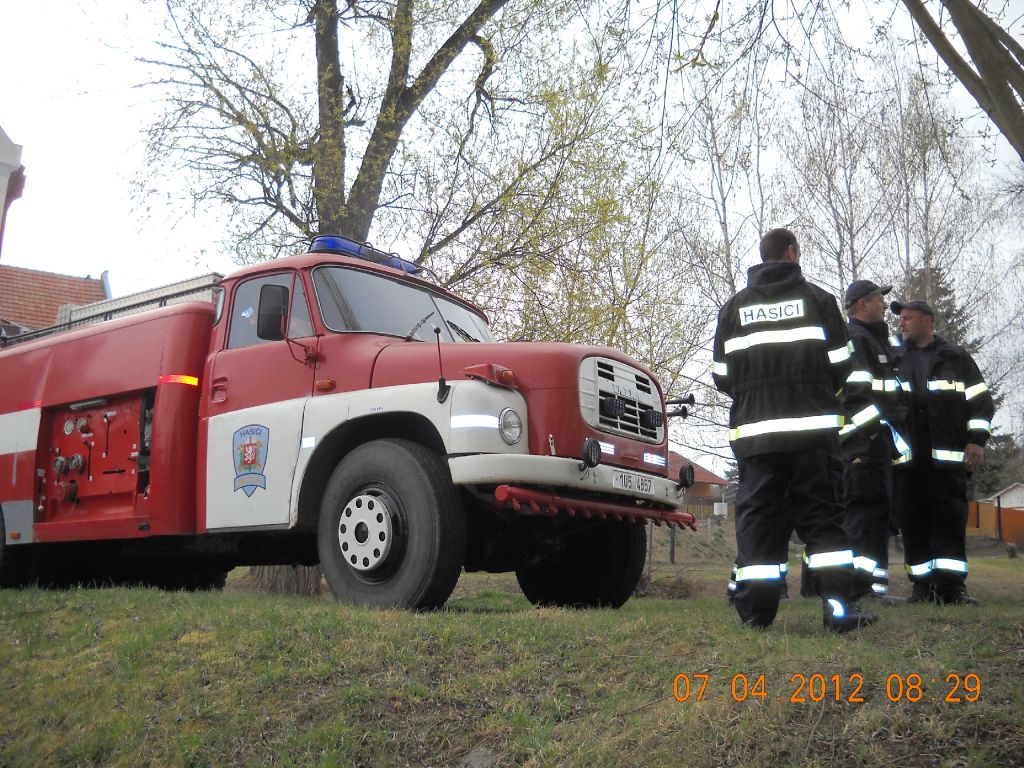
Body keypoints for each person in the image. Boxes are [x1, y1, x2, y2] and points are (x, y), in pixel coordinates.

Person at [712, 228, 877, 633]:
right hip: (813, 433)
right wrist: (815, 395)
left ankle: (756, 613)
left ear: (764, 257)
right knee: (823, 518)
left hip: (757, 434)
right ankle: (839, 611)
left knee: (760, 520)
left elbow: (721, 376)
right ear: (791, 253)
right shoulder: (819, 301)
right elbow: (843, 366)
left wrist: (756, 397)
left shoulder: (734, 308)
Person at [890, 299, 994, 605]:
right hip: (908, 462)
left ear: (927, 320)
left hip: (947, 462)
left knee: (949, 523)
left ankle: (951, 590)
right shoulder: (895, 359)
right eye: (901, 319)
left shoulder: (956, 358)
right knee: (913, 524)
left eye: (908, 318)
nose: (901, 324)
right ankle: (921, 588)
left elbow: (981, 402)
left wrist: (976, 440)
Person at [838, 280, 911, 600]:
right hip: (861, 445)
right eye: (880, 299)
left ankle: (870, 588)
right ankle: (860, 588)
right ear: (863, 304)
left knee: (875, 513)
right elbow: (853, 396)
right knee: (864, 514)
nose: (884, 305)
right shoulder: (856, 339)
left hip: (873, 444)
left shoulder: (874, 340)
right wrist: (875, 432)